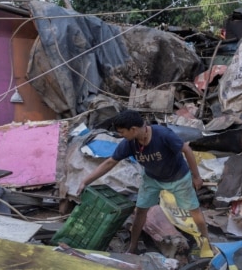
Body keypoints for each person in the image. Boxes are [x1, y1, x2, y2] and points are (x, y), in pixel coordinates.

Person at [76, 109, 213, 255]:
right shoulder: (130, 143)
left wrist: (196, 177)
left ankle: (207, 243)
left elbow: (187, 150)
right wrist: (85, 181)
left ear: (133, 129)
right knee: (140, 211)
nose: (121, 135)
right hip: (152, 179)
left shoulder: (163, 135)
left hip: (178, 177)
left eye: (122, 132)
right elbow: (110, 162)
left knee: (194, 210)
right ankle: (132, 247)